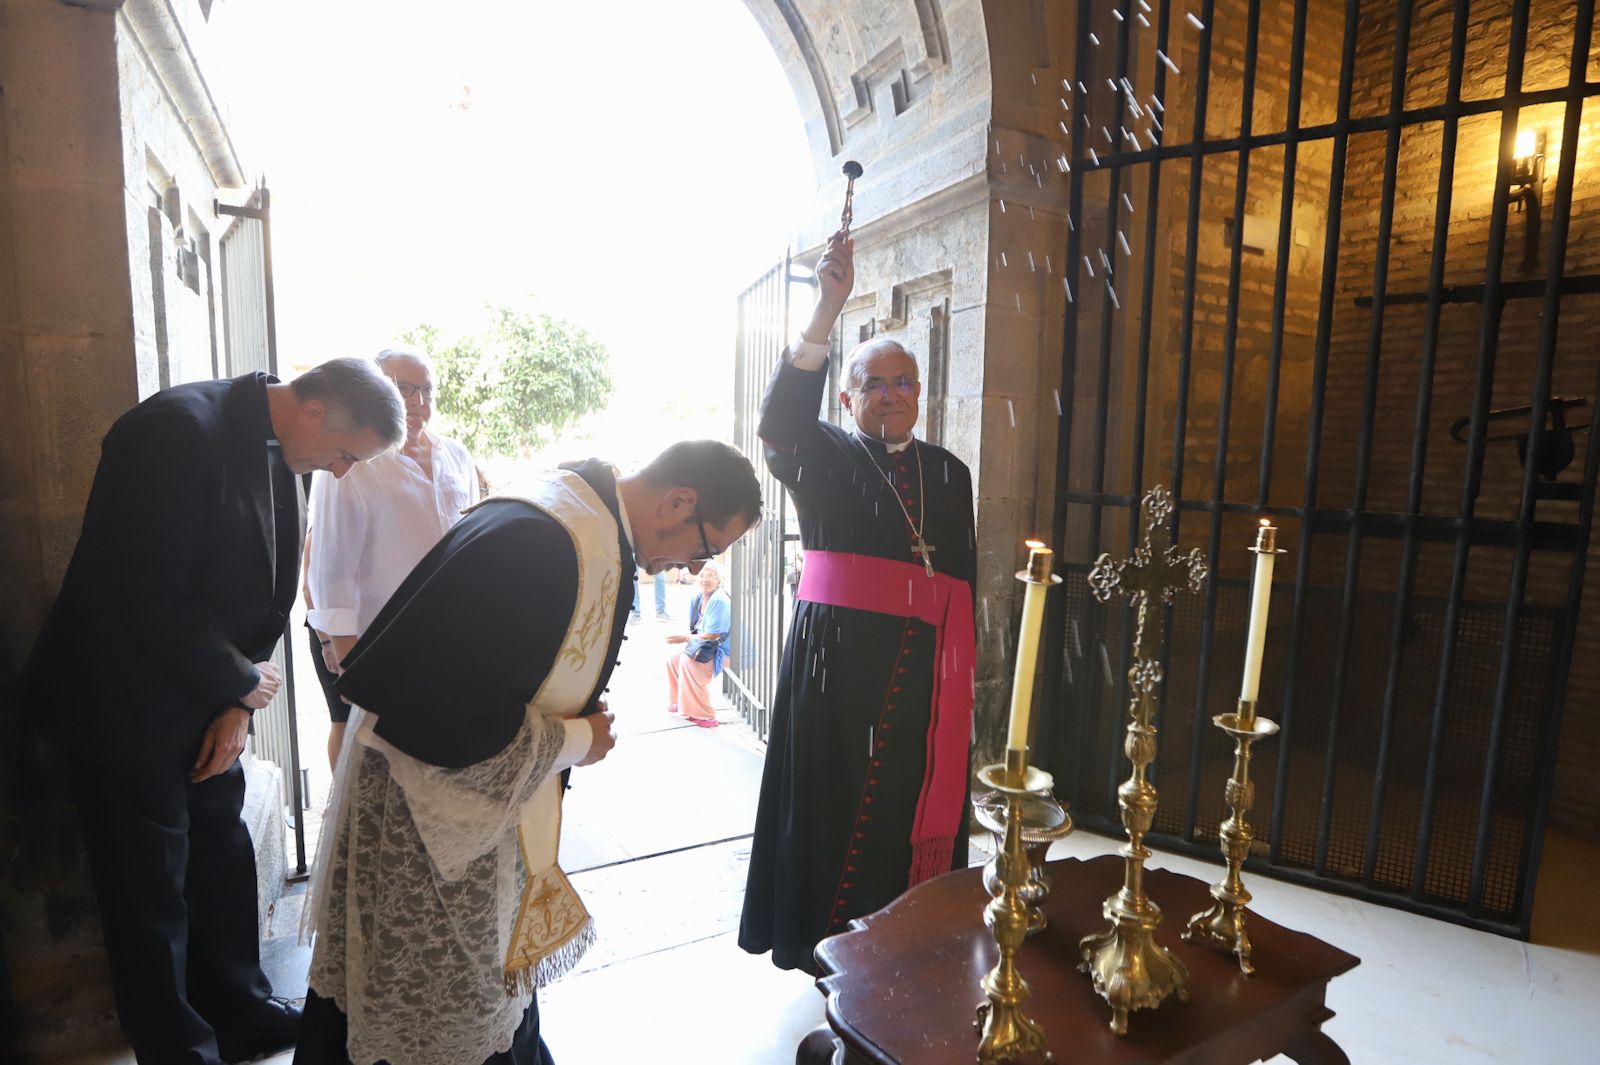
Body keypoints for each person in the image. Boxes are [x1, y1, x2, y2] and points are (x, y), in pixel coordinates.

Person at [296, 440, 762, 1065]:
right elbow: (440, 720)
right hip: (425, 822)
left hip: (481, 817)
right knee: (432, 1013)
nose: (689, 563)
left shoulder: (573, 512)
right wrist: (580, 739)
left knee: (496, 1004)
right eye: (704, 546)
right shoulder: (547, 543)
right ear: (679, 501)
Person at [21, 358, 405, 1065]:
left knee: (221, 863)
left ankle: (238, 1010)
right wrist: (239, 680)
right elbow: (140, 591)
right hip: (121, 704)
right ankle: (180, 1051)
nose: (343, 471)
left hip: (203, 696)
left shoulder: (286, 446)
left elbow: (268, 592)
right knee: (148, 896)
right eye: (347, 454)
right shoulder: (173, 431)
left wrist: (235, 702)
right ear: (316, 411)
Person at [738, 231, 978, 974]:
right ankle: (826, 944)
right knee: (835, 799)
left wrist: (964, 683)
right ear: (847, 396)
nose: (891, 394)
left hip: (923, 679)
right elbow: (777, 423)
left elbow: (963, 580)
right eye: (874, 383)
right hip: (837, 668)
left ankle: (911, 934)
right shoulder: (822, 454)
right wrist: (826, 309)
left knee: (912, 801)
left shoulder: (949, 471)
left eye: (904, 382)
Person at [305, 349, 480, 767]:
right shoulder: (355, 459)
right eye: (404, 389)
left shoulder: (457, 456)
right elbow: (330, 568)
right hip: (378, 641)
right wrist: (345, 656)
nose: (418, 402)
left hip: (447, 642)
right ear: (377, 393)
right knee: (369, 753)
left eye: (426, 390)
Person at [664, 560, 732, 727]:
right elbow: (697, 629)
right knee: (673, 660)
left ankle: (705, 715)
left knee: (689, 662)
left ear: (718, 580)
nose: (705, 580)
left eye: (710, 576)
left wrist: (684, 638)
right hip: (708, 646)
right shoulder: (697, 598)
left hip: (725, 651)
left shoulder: (719, 600)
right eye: (702, 575)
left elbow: (712, 635)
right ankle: (681, 701)